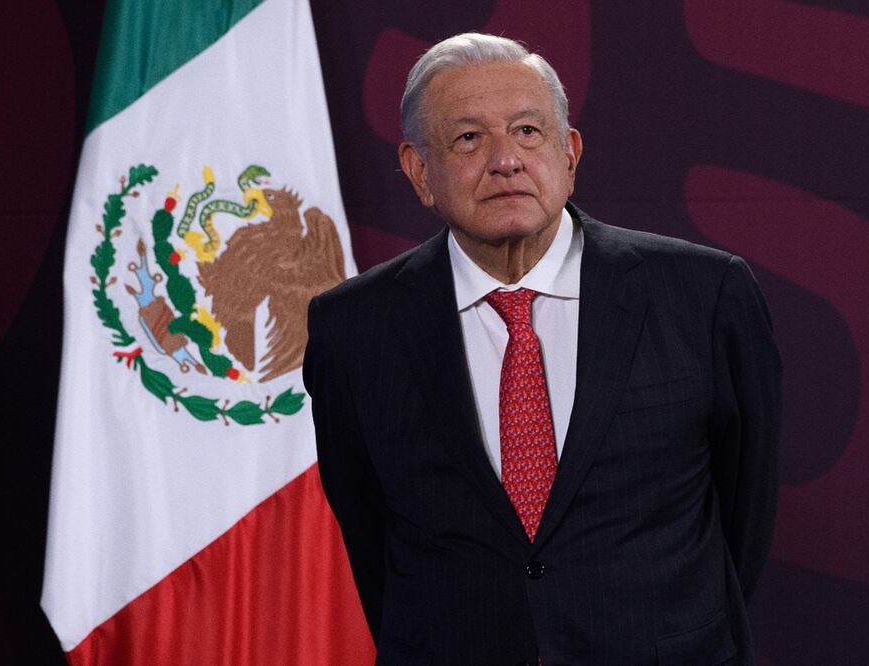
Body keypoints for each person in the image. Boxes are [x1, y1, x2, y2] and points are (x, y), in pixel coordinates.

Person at [303, 32, 782, 665]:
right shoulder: (352, 328)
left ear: (569, 152)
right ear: (420, 172)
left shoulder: (703, 294)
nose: (506, 160)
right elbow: (369, 531)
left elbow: (745, 508)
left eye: (527, 131)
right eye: (468, 138)